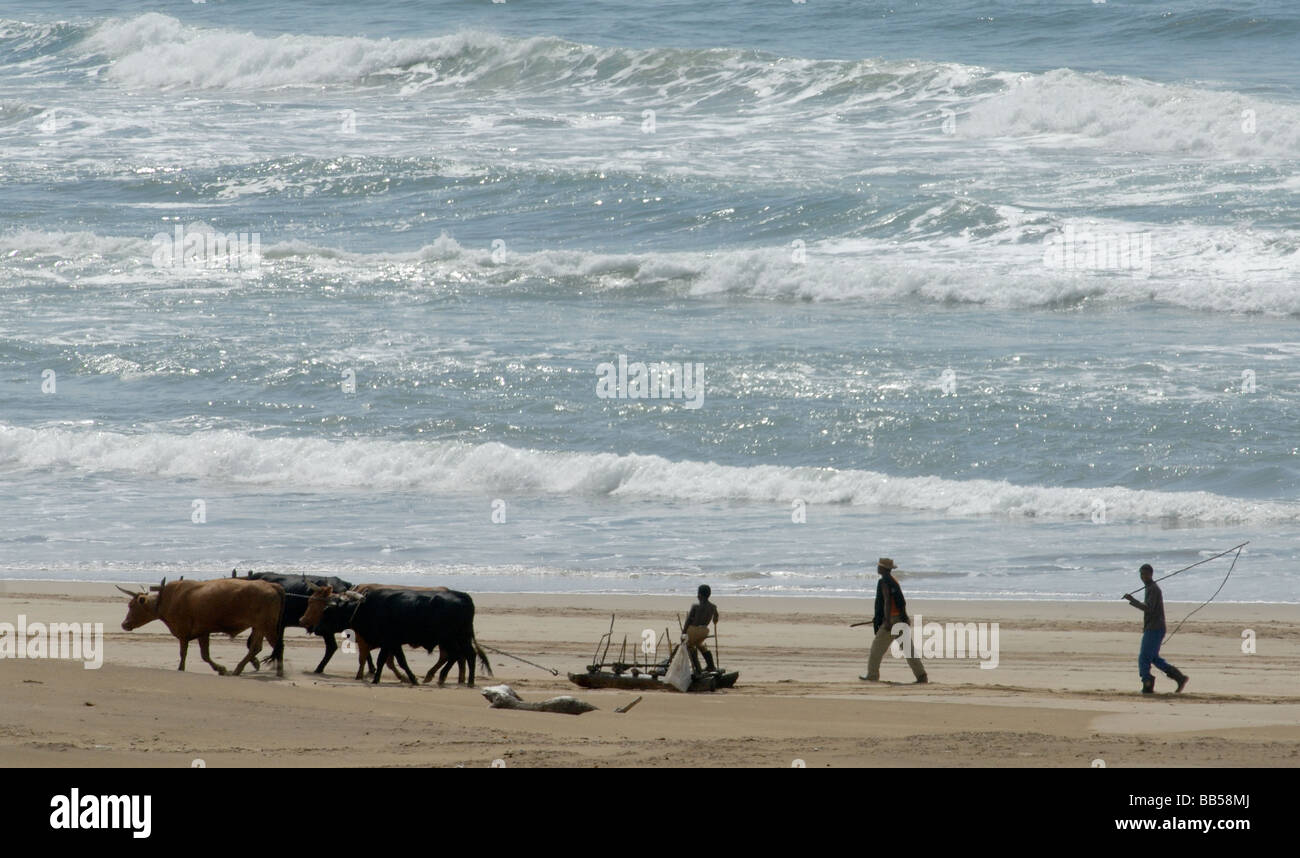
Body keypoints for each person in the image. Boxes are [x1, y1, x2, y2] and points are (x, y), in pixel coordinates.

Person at [1124, 563, 1189, 694]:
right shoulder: (1149, 588)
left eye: (1145, 574)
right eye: (1141, 574)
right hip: (1154, 627)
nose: (1143, 577)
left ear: (1151, 574)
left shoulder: (1153, 589)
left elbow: (1148, 608)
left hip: (1154, 628)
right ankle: (1179, 677)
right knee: (1153, 658)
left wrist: (1132, 600)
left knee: (1144, 657)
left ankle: (1147, 683)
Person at [861, 558, 927, 683]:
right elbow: (901, 602)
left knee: (876, 649)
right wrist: (905, 617)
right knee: (908, 650)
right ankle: (921, 676)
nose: (877, 568)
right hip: (900, 619)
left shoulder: (884, 582)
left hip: (891, 621)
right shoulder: (894, 581)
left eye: (879, 566)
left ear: (883, 569)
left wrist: (886, 621)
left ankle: (872, 675)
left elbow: (887, 602)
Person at [682, 584, 719, 672]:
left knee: (689, 647)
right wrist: (713, 620)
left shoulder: (696, 606)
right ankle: (711, 666)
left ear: (700, 595)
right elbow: (716, 618)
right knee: (700, 645)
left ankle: (698, 669)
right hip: (705, 631)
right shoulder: (713, 607)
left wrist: (683, 632)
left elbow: (688, 620)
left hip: (694, 630)